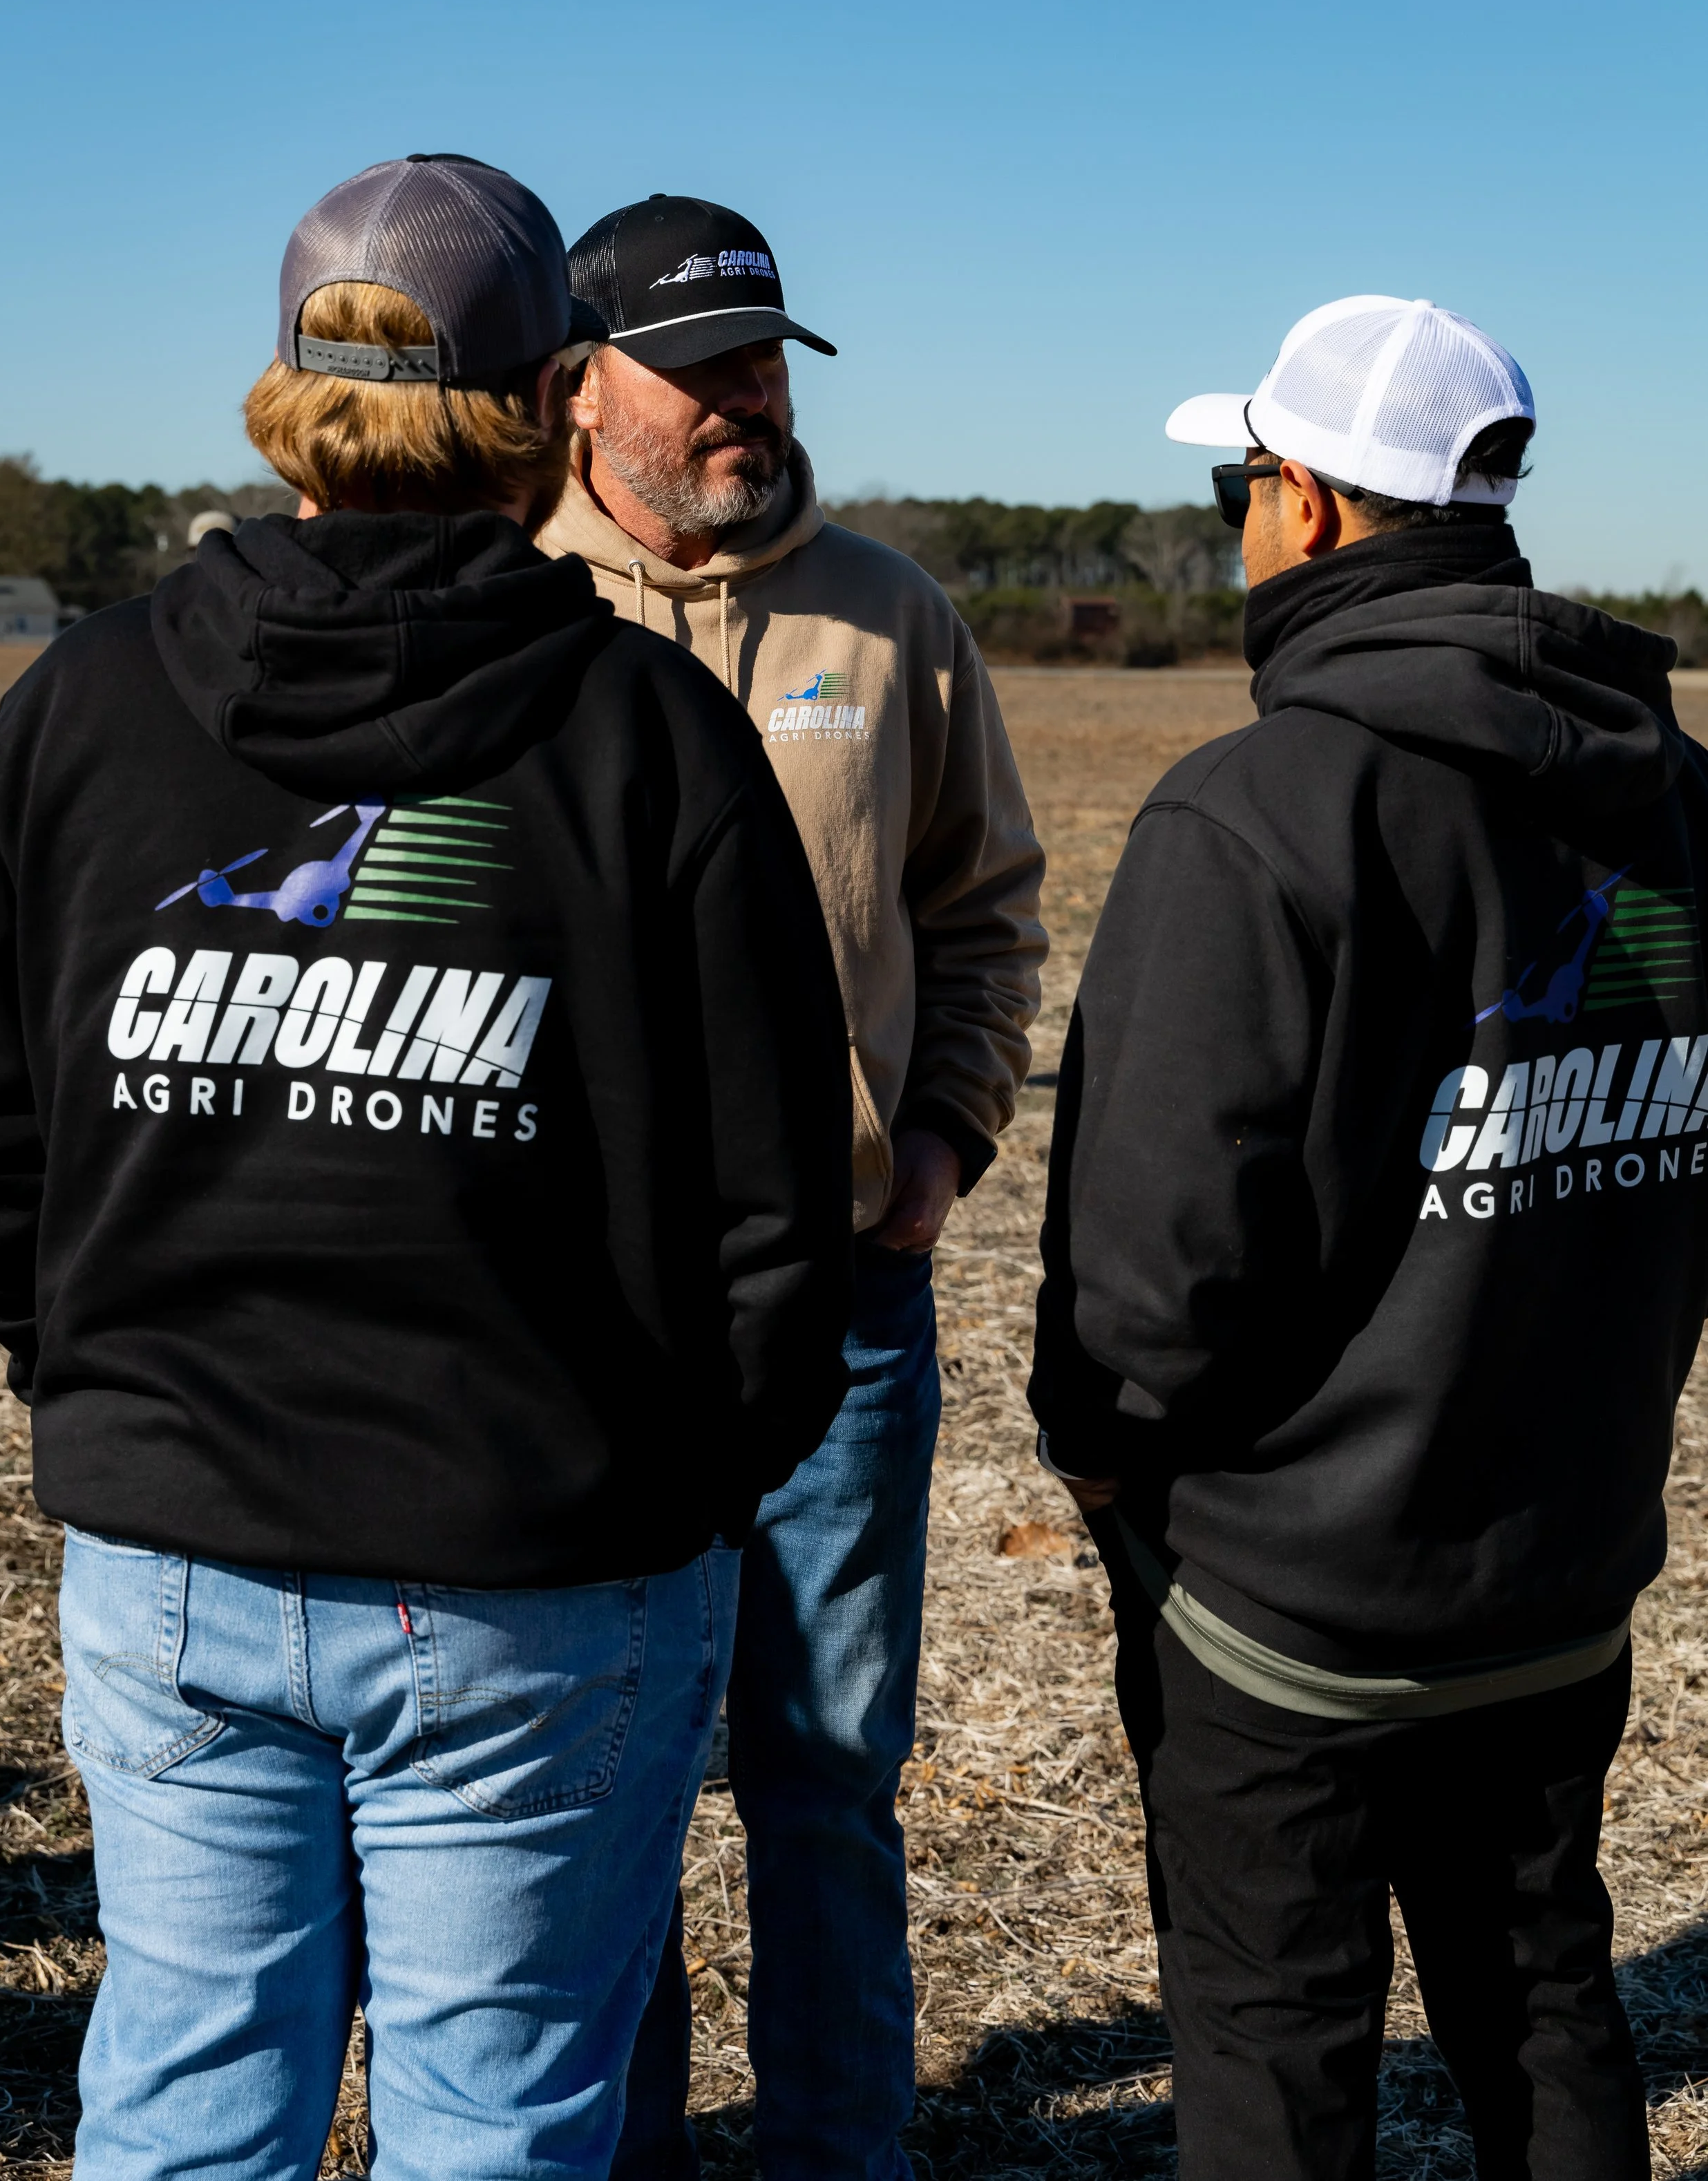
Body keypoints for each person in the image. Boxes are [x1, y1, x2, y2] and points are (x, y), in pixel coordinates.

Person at [0, 155, 856, 2181]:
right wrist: (676, 1478)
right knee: (496, 2119)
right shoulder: (645, 734)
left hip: (173, 1545)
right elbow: (770, 1205)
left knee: (187, 2102)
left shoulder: (80, 703)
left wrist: (96, 1365)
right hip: (531, 1573)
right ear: (550, 397)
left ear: (281, 391)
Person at [1031, 294, 1702, 2180]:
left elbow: (1150, 1279)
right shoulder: (1671, 793)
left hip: (1288, 1607)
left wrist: (1111, 1471)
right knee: (1548, 1996)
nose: (1239, 513)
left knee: (1270, 2042)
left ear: (1309, 506)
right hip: (1559, 1571)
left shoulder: (1255, 810)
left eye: (1244, 476)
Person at [542, 193, 1046, 2180]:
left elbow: (983, 906)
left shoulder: (887, 613)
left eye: (767, 359)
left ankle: (844, 2153)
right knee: (603, 1782)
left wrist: (942, 1144)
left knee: (828, 1772)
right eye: (703, 370)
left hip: (844, 1306)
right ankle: (634, 2147)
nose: (749, 399)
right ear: (580, 391)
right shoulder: (508, 608)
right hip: (586, 1322)